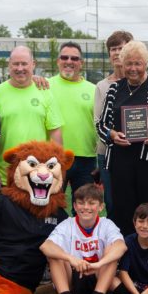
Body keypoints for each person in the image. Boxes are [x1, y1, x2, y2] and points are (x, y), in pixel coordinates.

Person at [97, 41, 148, 235]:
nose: (133, 68)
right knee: (122, 210)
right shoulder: (114, 88)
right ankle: (125, 256)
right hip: (120, 160)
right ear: (122, 64)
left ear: (145, 63)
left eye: (138, 63)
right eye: (129, 63)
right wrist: (112, 135)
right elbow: (101, 124)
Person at [42, 183, 127, 294]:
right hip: (73, 280)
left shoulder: (106, 224)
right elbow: (45, 246)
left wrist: (99, 264)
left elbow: (121, 247)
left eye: (91, 203)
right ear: (74, 206)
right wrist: (71, 258)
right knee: (55, 255)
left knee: (111, 252)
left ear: (101, 207)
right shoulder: (67, 224)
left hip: (98, 276)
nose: (85, 207)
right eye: (81, 203)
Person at [0, 46, 64, 189]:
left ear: (33, 64)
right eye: (15, 64)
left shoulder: (44, 91)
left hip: (39, 175)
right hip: (5, 176)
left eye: (24, 64)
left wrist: (57, 169)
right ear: (9, 65)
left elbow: (55, 133)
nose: (20, 68)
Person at [47, 41, 97, 195]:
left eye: (74, 58)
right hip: (53, 157)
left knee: (84, 207)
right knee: (51, 208)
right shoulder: (44, 86)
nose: (69, 61)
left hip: (85, 158)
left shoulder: (94, 89)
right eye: (64, 57)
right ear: (58, 61)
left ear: (81, 63)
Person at [95, 30, 133, 215]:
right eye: (113, 49)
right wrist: (112, 135)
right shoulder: (102, 86)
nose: (117, 52)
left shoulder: (142, 82)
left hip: (137, 151)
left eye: (122, 47)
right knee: (113, 205)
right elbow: (98, 121)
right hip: (108, 154)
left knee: (137, 203)